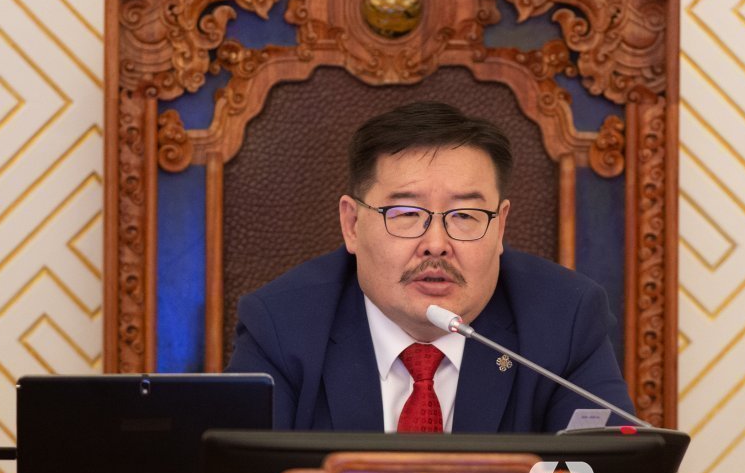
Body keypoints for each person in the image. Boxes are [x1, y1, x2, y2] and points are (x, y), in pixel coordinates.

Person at [226, 101, 635, 432]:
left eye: (465, 215)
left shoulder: (564, 319)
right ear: (352, 225)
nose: (436, 244)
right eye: (406, 214)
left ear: (500, 227)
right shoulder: (282, 326)